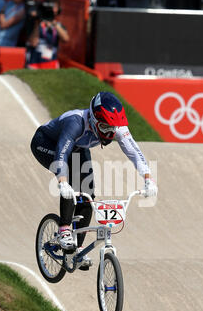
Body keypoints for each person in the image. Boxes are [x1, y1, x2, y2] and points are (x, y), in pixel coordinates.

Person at [30, 92, 158, 270]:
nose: (109, 133)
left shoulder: (116, 126)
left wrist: (148, 179)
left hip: (77, 147)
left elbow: (134, 152)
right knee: (73, 181)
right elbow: (61, 153)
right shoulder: (76, 122)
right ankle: (64, 229)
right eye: (105, 127)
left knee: (88, 195)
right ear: (94, 119)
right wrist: (62, 182)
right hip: (46, 143)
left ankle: (77, 248)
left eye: (112, 129)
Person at [26, 0, 69, 69]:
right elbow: (33, 43)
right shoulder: (36, 23)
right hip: (35, 63)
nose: (53, 9)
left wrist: (54, 24)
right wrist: (38, 22)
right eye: (51, 7)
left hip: (52, 63)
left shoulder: (58, 25)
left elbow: (66, 39)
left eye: (55, 7)